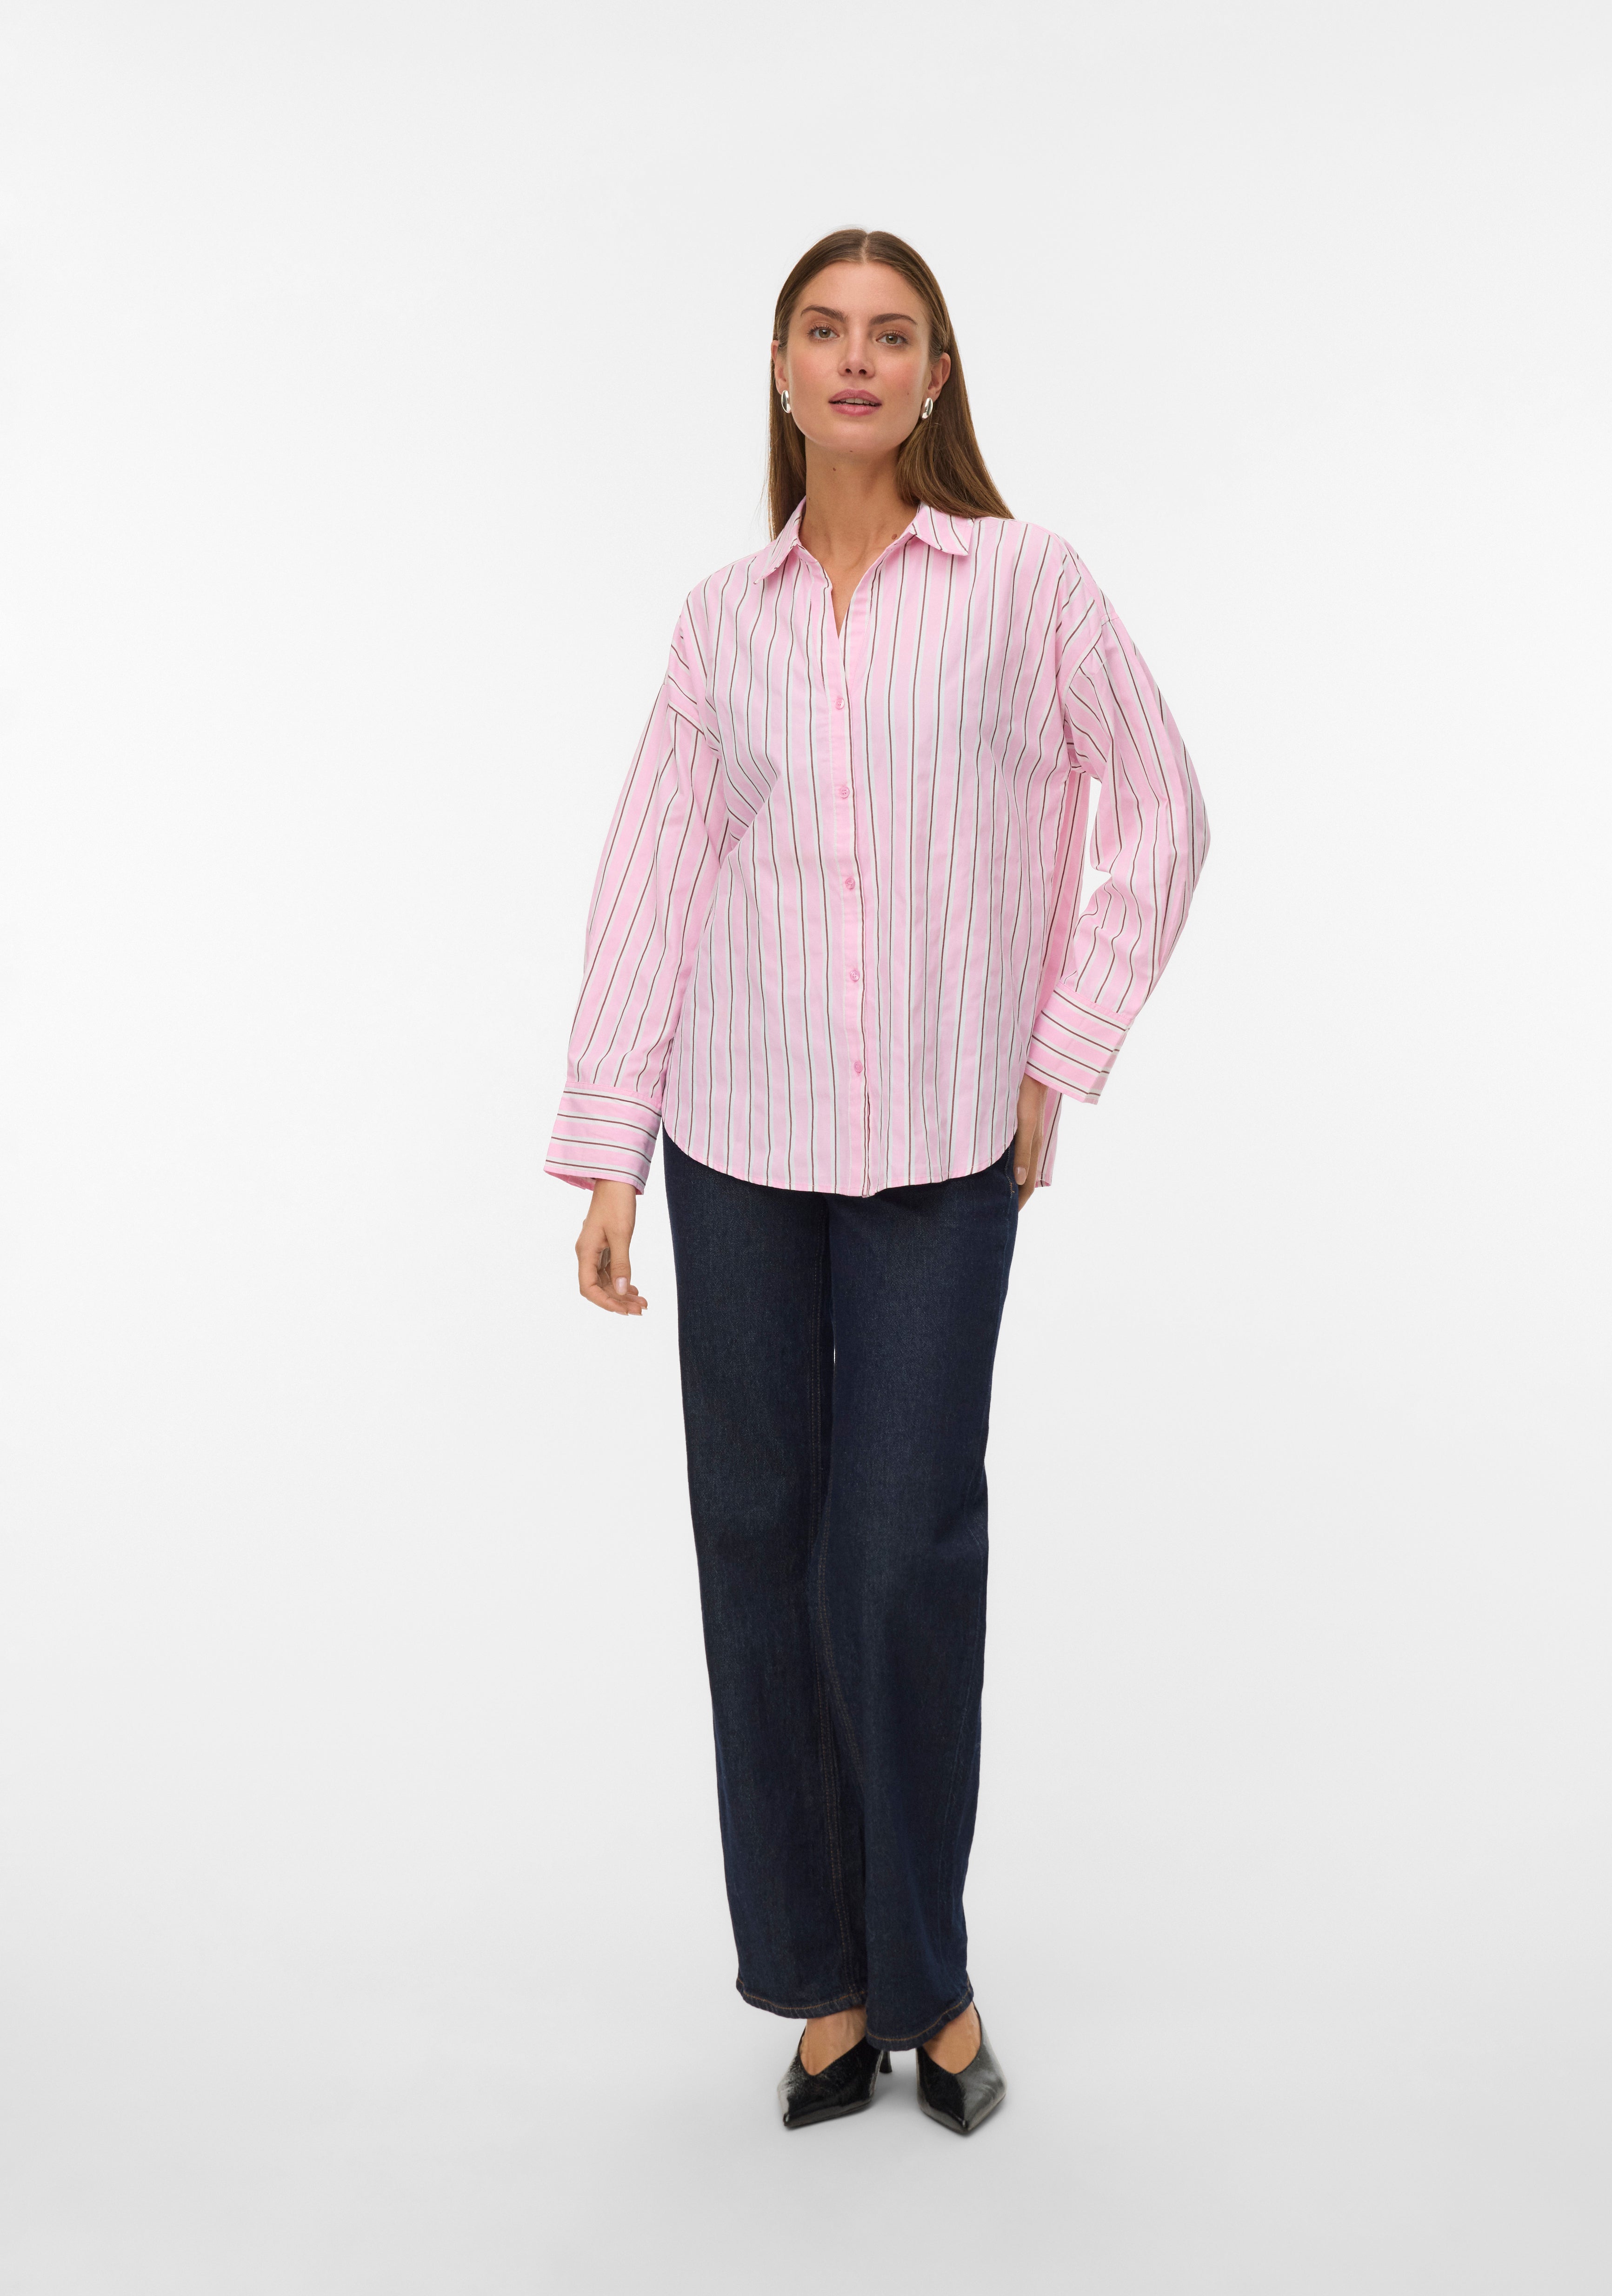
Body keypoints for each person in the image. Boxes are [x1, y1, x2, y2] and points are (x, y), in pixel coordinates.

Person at [545, 227, 1210, 2135]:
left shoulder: (1026, 586)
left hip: (939, 1141)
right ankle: (821, 1981)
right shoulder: (720, 622)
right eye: (824, 331)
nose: (856, 359)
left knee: (899, 1546)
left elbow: (1164, 807)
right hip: (734, 1135)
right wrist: (609, 1148)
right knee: (758, 1542)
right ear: (779, 369)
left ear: (935, 376)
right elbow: (653, 871)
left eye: (892, 334)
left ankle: (930, 1970)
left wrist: (1059, 1046)